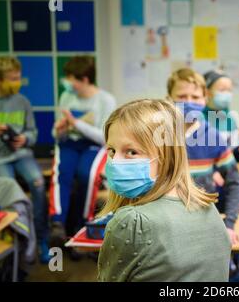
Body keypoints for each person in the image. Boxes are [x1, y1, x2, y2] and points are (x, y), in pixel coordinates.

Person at [97, 99, 231, 281]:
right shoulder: (208, 207)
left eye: (131, 152)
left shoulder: (132, 221)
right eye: (112, 150)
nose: (115, 161)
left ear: (167, 156)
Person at [0, 56, 49, 263]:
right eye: (12, 78)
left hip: (21, 154)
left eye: (18, 77)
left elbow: (33, 133)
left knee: (38, 183)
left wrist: (25, 138)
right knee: (10, 189)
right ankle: (18, 241)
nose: (17, 82)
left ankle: (41, 239)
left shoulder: (23, 101)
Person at [166, 68, 239, 244]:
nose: (189, 102)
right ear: (169, 99)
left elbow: (234, 182)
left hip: (203, 223)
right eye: (182, 97)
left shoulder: (214, 137)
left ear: (205, 99)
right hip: (167, 226)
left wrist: (229, 224)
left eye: (195, 97)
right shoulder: (157, 136)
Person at [49, 56, 116, 244]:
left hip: (94, 145)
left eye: (71, 78)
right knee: (62, 174)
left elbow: (105, 138)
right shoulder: (66, 96)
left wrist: (76, 123)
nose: (67, 83)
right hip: (69, 143)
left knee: (87, 175)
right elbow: (56, 134)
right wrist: (59, 129)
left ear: (84, 79)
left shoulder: (105, 100)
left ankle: (82, 225)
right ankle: (58, 224)